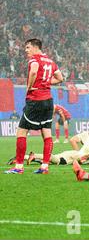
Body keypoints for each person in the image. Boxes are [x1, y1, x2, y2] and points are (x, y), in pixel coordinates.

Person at [5, 39, 63, 175]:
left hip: (35, 100)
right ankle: (44, 167)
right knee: (46, 133)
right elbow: (60, 78)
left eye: (28, 47)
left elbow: (33, 72)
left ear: (36, 47)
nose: (26, 50)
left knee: (21, 131)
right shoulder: (50, 61)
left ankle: (18, 167)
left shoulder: (34, 60)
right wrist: (46, 83)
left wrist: (29, 86)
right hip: (48, 101)